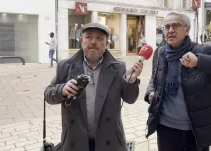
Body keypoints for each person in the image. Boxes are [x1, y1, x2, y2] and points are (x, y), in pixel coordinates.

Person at [145, 12, 211, 151]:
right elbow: (154, 80)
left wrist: (199, 62)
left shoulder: (203, 51)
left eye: (176, 25)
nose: (170, 30)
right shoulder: (160, 53)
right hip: (165, 128)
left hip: (196, 130)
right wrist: (150, 93)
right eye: (166, 27)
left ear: (187, 30)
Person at [44, 23, 143, 151]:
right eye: (89, 37)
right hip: (75, 141)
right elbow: (48, 94)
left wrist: (131, 80)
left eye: (99, 38)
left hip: (110, 141)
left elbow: (130, 99)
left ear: (106, 43)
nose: (93, 42)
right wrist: (62, 90)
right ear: (81, 41)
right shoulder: (66, 66)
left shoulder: (118, 67)